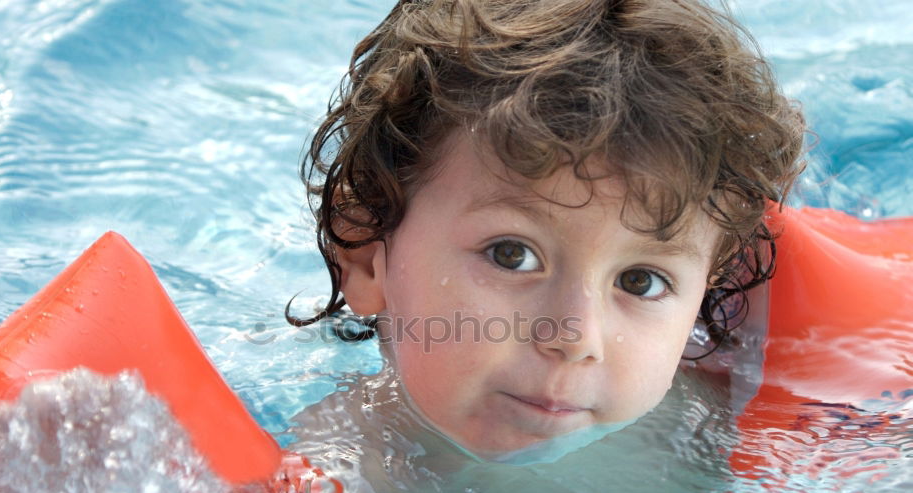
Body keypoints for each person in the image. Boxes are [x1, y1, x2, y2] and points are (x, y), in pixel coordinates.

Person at [288, 0, 805, 464]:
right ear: (363, 253)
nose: (575, 338)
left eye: (641, 281)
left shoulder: (718, 434)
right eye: (512, 255)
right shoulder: (344, 469)